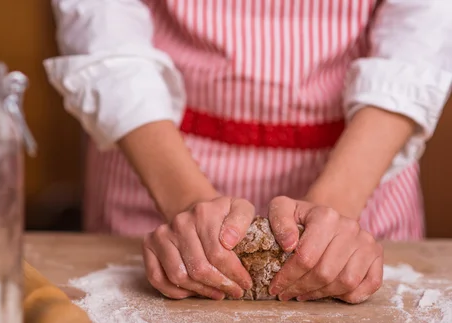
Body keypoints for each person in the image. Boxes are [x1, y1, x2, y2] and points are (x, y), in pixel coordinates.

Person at [45, 0, 452, 304]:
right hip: (153, 157)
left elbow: (420, 33)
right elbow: (104, 20)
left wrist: (336, 209)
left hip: (364, 167)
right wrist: (186, 200)